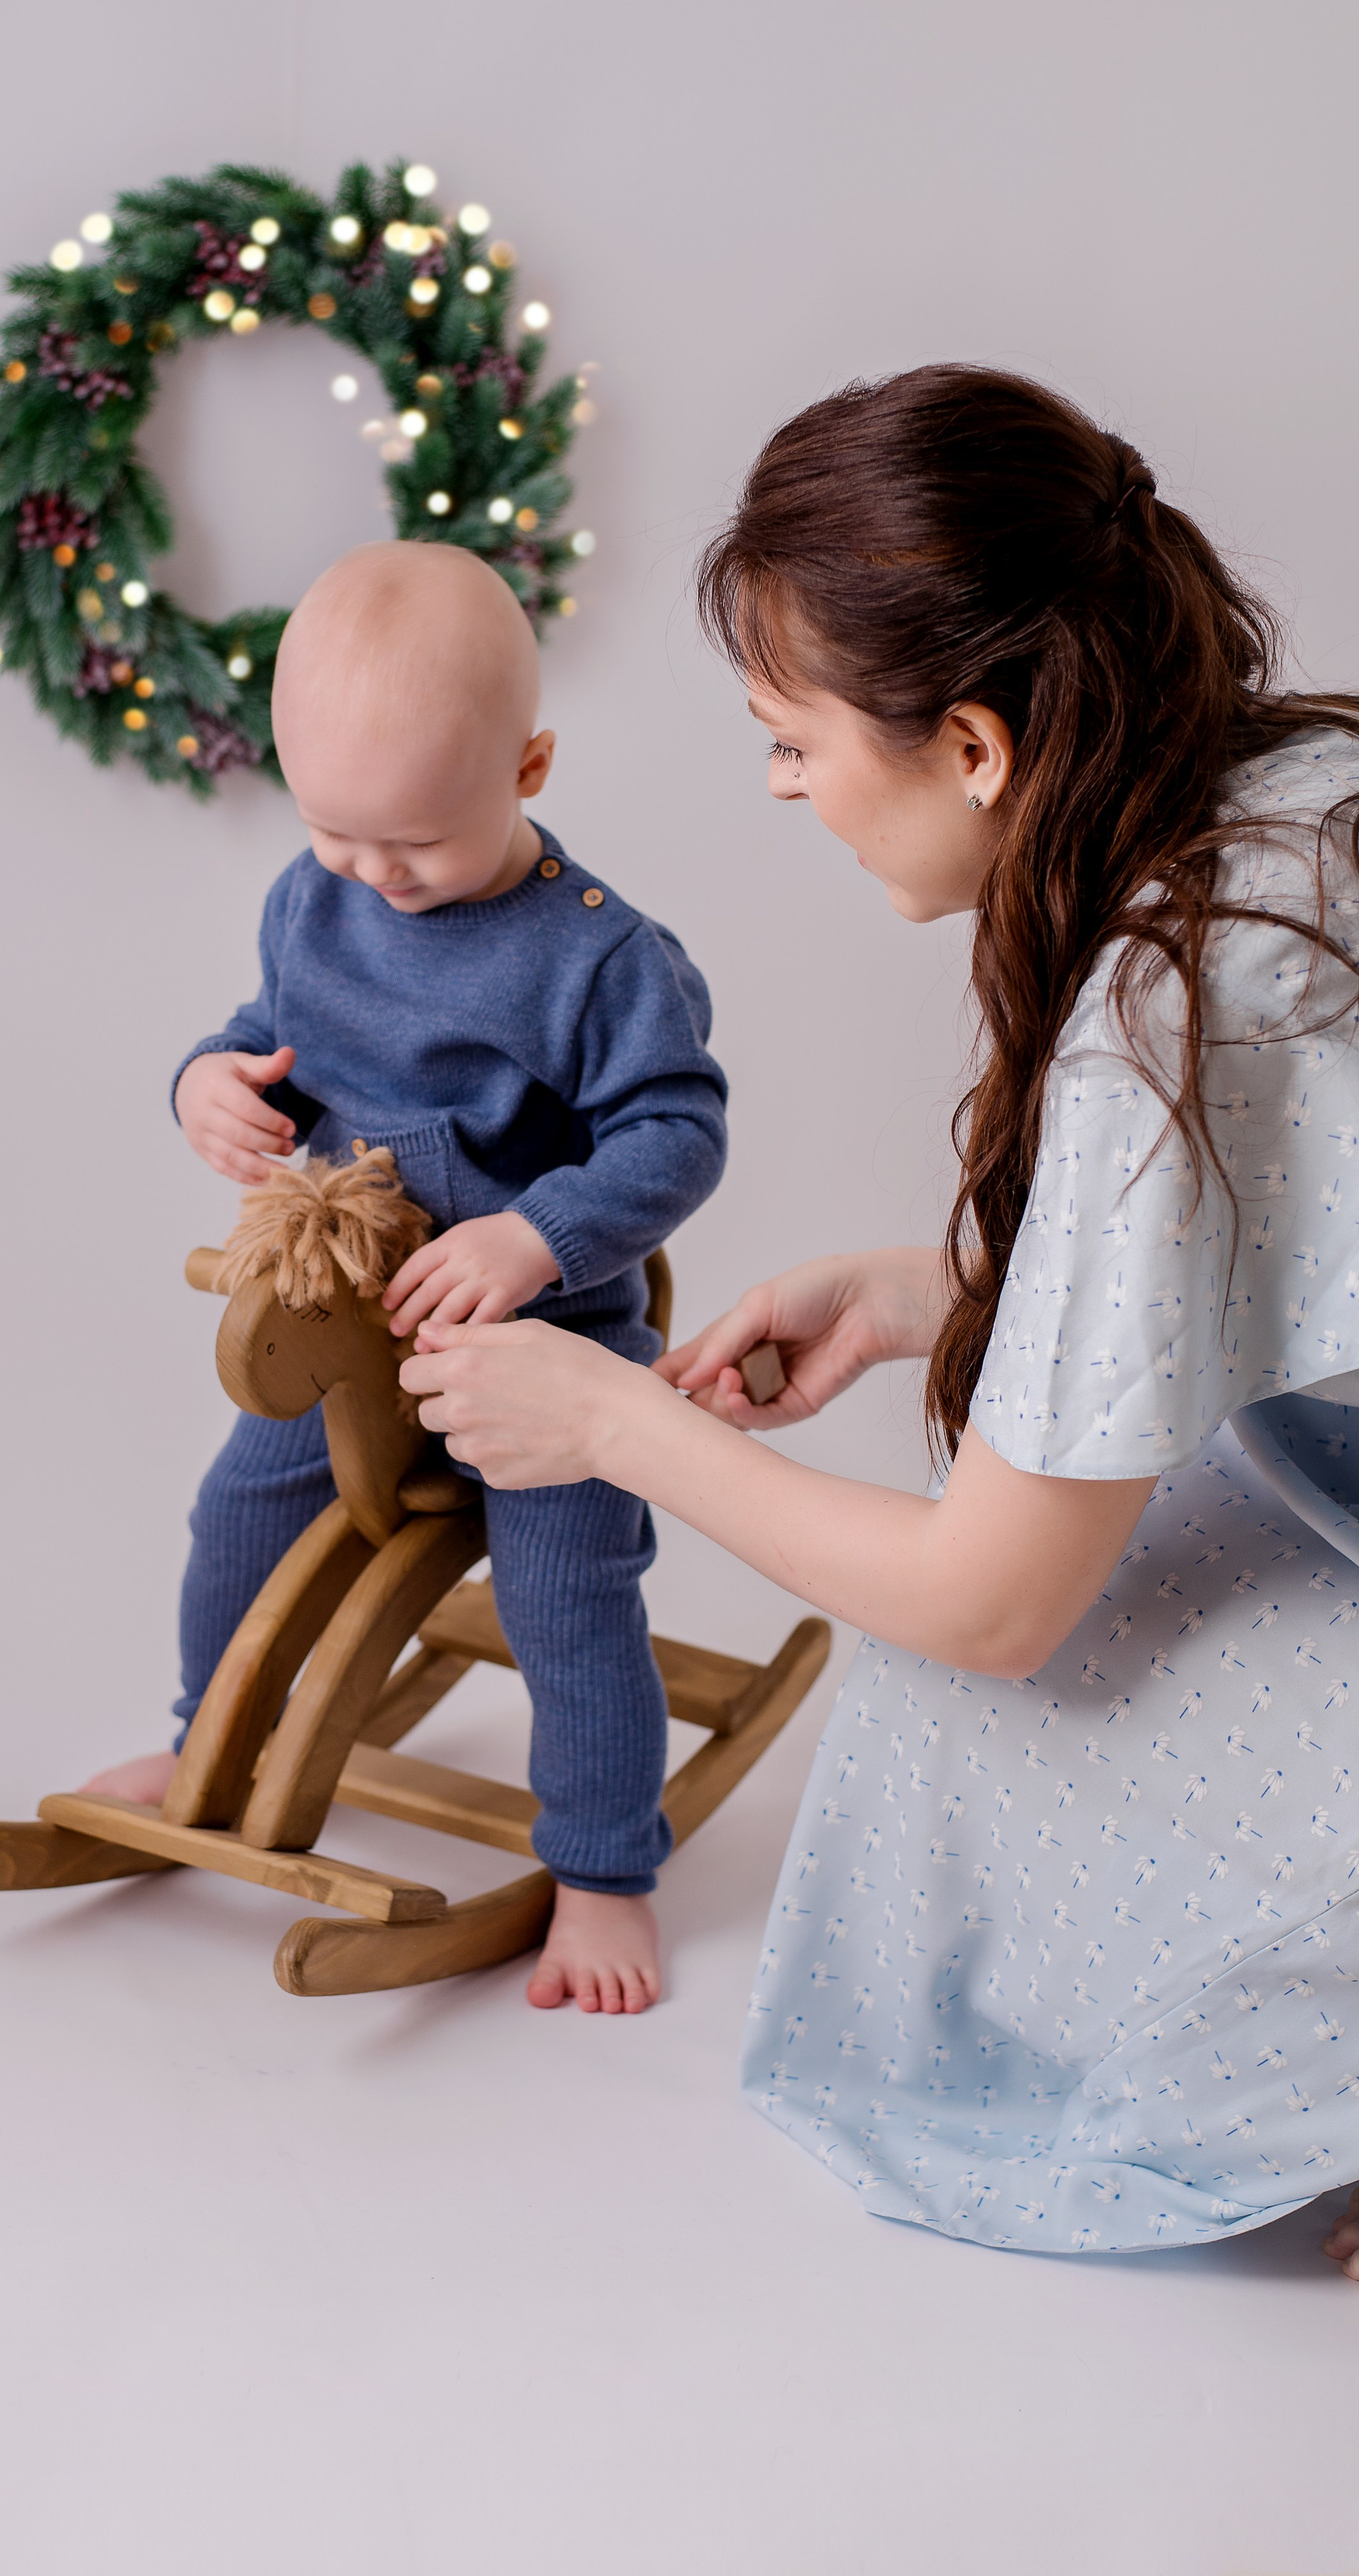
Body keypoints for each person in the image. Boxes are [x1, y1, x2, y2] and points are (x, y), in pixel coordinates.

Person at [400, 367, 1359, 2274]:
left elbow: (995, 1604)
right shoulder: (1304, 795)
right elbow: (1296, 1259)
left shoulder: (1164, 1009)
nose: (779, 789)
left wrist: (610, 1423)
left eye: (790, 738)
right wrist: (958, 1294)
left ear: (977, 744)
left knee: (952, 1673)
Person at [83, 540, 728, 2013]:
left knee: (567, 1595)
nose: (378, 876)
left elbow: (678, 1132)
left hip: (539, 1348)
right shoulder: (316, 904)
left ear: (531, 763)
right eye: (336, 835)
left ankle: (602, 1868)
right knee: (233, 1513)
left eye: (419, 843)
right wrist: (205, 1086)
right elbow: (267, 1032)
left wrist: (536, 1236)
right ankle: (208, 1738)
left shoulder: (600, 960)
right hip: (354, 1334)